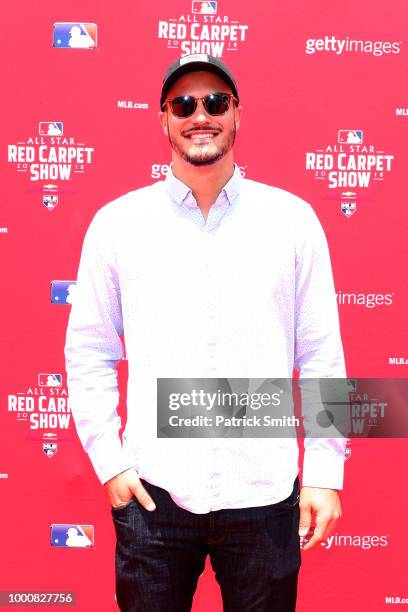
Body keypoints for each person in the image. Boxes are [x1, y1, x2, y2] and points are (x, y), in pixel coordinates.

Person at [65, 54, 347, 612]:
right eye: (184, 104)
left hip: (265, 495)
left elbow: (321, 355)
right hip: (155, 494)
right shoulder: (118, 225)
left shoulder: (292, 221)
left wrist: (325, 470)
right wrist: (110, 462)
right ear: (163, 119)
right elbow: (89, 350)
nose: (202, 115)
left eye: (216, 102)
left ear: (237, 115)